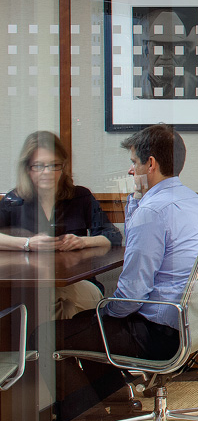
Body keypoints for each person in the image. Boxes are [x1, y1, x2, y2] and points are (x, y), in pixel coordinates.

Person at [50, 123, 198, 421]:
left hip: (158, 333)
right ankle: (120, 408)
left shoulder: (152, 213)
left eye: (133, 163)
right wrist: (136, 202)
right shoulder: (194, 202)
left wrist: (106, 310)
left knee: (46, 336)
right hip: (193, 325)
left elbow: (131, 298)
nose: (130, 171)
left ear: (149, 164)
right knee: (87, 325)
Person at [0, 131, 122, 319]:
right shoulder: (15, 201)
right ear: (27, 168)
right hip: (30, 287)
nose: (47, 172)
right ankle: (63, 346)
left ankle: (41, 345)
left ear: (63, 166)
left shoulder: (80, 196)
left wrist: (82, 242)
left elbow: (113, 237)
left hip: (80, 284)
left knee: (49, 295)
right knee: (55, 303)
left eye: (54, 166)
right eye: (39, 166)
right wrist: (27, 243)